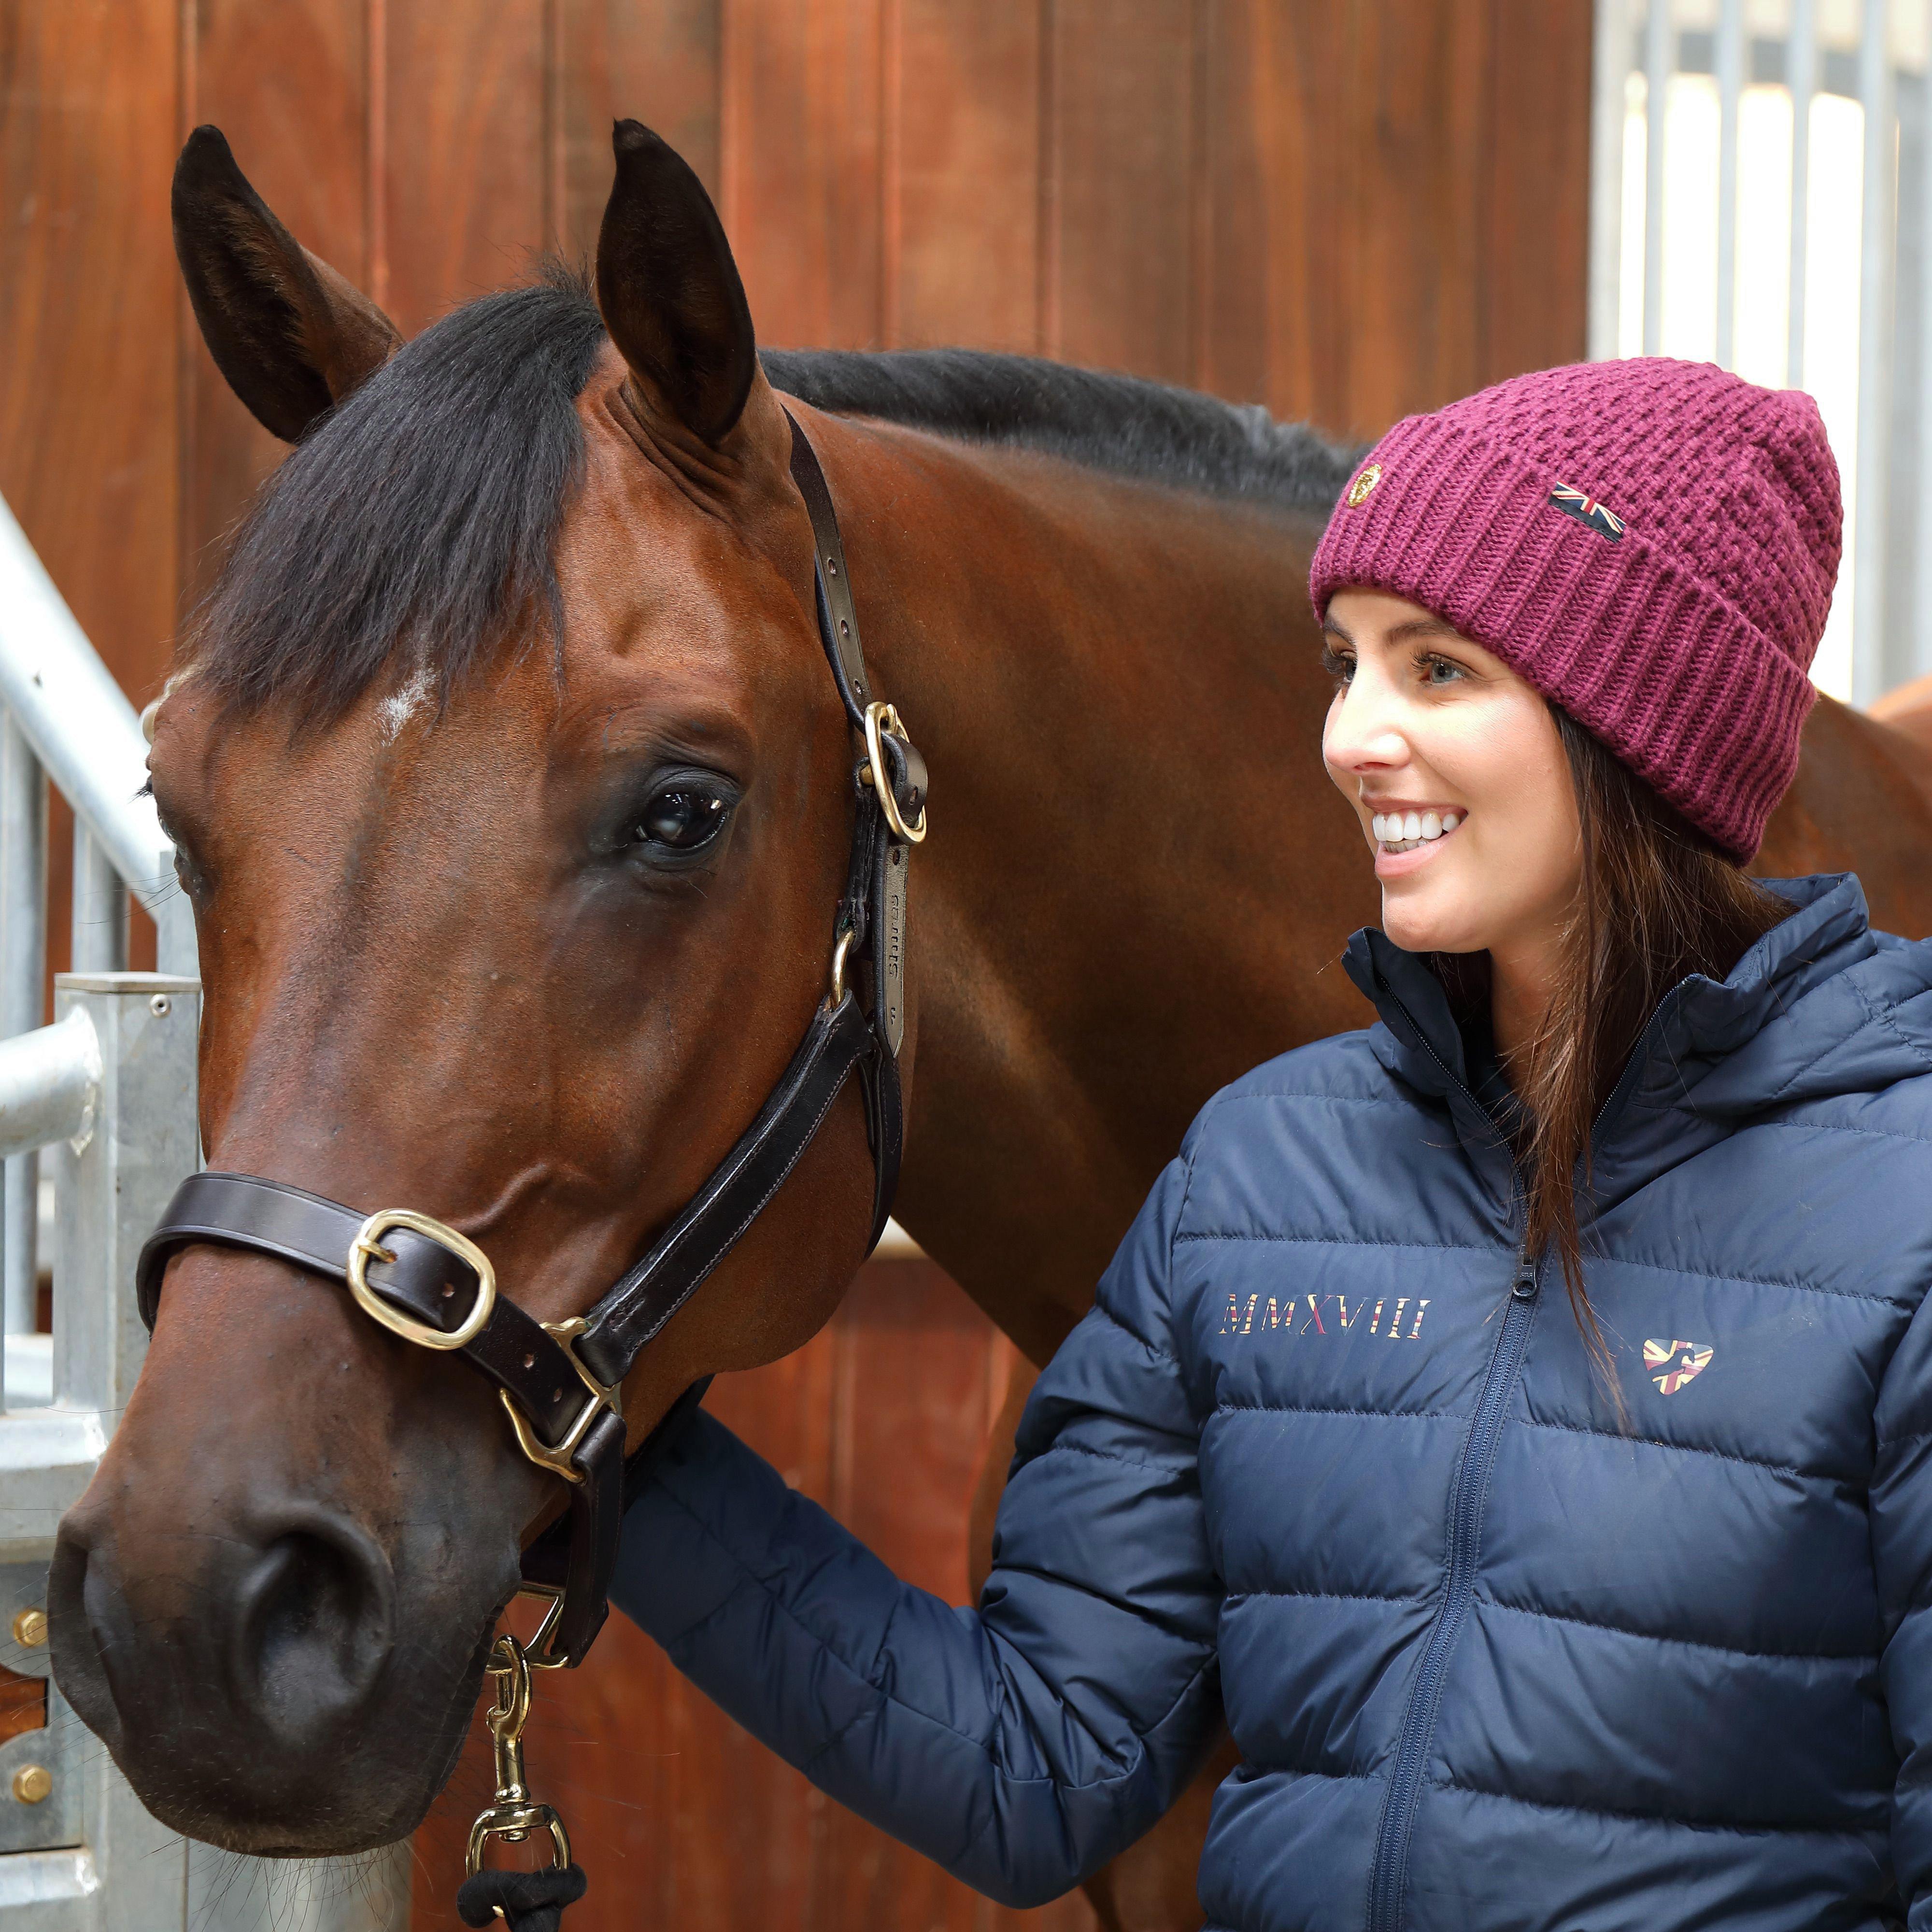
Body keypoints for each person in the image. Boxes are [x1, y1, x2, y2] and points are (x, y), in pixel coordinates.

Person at [611, 358, 1932, 1929]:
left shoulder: (1901, 1207)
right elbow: (1041, 1768)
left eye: (1437, 669)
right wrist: (609, 1455)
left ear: (1646, 721)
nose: (1352, 737)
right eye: (1345, 664)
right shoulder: (1256, 1178)